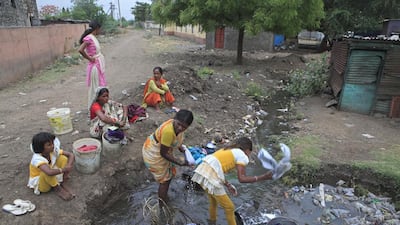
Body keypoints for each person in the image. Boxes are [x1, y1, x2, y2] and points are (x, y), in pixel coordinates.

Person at [191, 137, 274, 225]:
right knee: (229, 207)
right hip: (210, 175)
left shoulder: (227, 149)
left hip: (203, 171)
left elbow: (218, 169)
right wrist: (263, 177)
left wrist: (228, 185)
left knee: (213, 201)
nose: (249, 155)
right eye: (250, 152)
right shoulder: (242, 155)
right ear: (247, 150)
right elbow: (242, 179)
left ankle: (212, 222)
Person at [142, 109, 193, 206]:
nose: (180, 128)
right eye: (178, 124)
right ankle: (162, 204)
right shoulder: (168, 131)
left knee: (168, 176)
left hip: (160, 149)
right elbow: (163, 154)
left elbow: (176, 139)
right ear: (174, 119)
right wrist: (180, 163)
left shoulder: (177, 128)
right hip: (153, 153)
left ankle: (163, 197)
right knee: (165, 180)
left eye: (183, 127)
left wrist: (180, 147)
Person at [27, 132, 75, 201]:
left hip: (51, 173)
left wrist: (68, 166)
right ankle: (57, 188)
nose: (52, 146)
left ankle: (63, 181)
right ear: (41, 148)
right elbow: (49, 172)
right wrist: (64, 169)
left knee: (63, 158)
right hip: (41, 183)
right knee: (47, 172)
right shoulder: (37, 159)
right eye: (49, 145)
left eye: (52, 143)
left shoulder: (52, 151)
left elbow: (71, 155)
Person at [78, 20, 106, 110]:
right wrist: (90, 58)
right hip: (95, 66)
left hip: (97, 65)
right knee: (96, 87)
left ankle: (100, 105)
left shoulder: (92, 37)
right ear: (97, 29)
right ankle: (95, 107)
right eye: (100, 29)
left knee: (100, 85)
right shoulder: (89, 38)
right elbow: (80, 50)